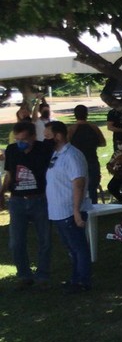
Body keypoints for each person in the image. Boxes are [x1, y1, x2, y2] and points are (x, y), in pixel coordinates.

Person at [0, 121, 54, 289]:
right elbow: (9, 174)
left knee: (44, 239)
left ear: (33, 137)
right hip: (17, 200)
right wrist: (2, 192)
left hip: (39, 199)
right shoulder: (12, 150)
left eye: (23, 139)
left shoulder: (44, 149)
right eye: (17, 139)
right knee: (16, 241)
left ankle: (42, 275)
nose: (20, 142)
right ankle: (24, 275)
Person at [44, 121, 92, 293]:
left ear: (58, 135)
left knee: (79, 248)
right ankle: (75, 278)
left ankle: (82, 281)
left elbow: (78, 183)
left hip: (69, 210)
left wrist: (76, 211)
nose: (45, 139)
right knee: (71, 248)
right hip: (58, 211)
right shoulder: (56, 154)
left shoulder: (72, 156)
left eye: (48, 135)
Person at [68, 104, 106, 204]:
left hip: (77, 162)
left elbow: (66, 145)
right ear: (87, 114)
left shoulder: (72, 129)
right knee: (92, 188)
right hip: (92, 160)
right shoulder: (93, 127)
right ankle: (93, 207)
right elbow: (103, 142)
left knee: (78, 187)